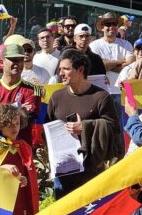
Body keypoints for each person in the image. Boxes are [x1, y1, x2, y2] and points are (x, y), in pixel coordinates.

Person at [46, 48, 123, 198]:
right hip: (63, 173)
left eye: (66, 69)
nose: (60, 73)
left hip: (92, 172)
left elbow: (114, 129)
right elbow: (47, 129)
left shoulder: (101, 96)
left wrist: (86, 127)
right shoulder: (56, 97)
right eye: (60, 69)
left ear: (80, 70)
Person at [0, 44, 43, 147]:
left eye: (21, 60)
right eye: (13, 59)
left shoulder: (33, 90)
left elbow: (25, 120)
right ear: (2, 62)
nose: (18, 63)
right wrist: (18, 110)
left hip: (20, 153)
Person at [90, 12, 134, 104]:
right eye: (108, 24)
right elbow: (98, 67)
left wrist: (106, 65)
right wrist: (121, 61)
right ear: (102, 28)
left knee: (127, 117)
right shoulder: (94, 45)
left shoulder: (126, 44)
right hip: (102, 92)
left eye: (114, 24)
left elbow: (130, 66)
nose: (112, 26)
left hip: (125, 91)